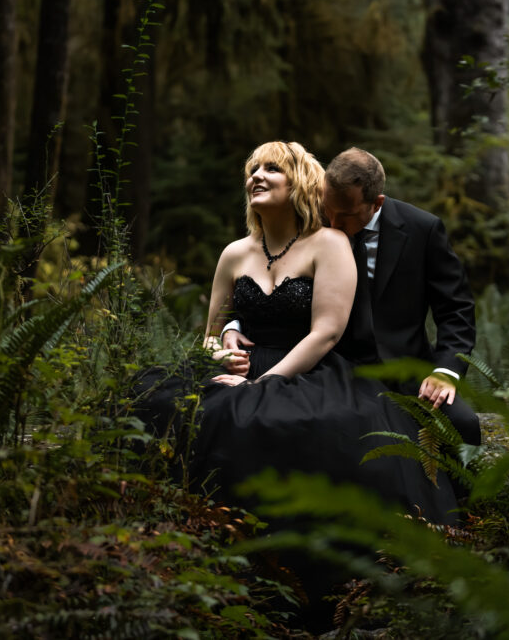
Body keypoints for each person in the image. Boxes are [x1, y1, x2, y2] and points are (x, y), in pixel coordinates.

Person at [130, 141, 459, 526]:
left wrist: (262, 383)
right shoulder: (233, 253)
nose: (257, 176)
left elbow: (326, 332)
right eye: (253, 169)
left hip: (305, 370)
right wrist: (219, 349)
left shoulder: (331, 242)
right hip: (238, 368)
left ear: (301, 183)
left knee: (290, 423)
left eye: (272, 169)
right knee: (159, 401)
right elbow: (210, 333)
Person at [222, 146, 481, 447]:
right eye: (327, 209)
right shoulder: (312, 220)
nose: (332, 223)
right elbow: (267, 275)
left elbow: (456, 310)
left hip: (402, 371)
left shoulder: (421, 228)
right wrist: (234, 325)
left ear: (376, 203)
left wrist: (445, 371)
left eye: (345, 216)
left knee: (463, 426)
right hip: (326, 369)